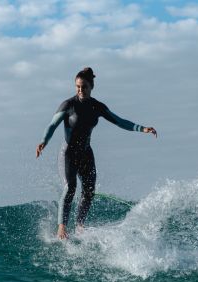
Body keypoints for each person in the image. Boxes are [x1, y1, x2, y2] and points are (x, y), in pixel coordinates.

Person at [36, 67, 157, 239]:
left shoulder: (97, 107)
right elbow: (52, 125)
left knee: (89, 190)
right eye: (77, 86)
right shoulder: (68, 105)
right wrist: (43, 141)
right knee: (70, 188)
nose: (80, 90)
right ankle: (62, 227)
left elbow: (120, 121)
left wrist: (142, 128)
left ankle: (79, 225)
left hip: (86, 153)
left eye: (84, 86)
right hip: (68, 153)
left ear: (91, 86)